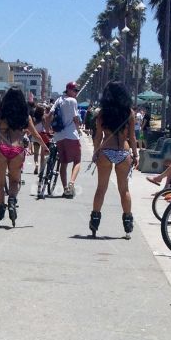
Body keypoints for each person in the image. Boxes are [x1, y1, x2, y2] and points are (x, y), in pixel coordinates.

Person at [0, 86, 46, 225]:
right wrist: (45, 147)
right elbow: (35, 134)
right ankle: (12, 200)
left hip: (1, 148)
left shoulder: (0, 113)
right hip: (17, 149)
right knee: (14, 180)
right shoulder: (25, 116)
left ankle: (0, 209)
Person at [89, 80, 138, 237]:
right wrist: (135, 154)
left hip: (106, 150)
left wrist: (95, 152)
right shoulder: (129, 113)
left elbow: (98, 136)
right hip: (123, 153)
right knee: (124, 190)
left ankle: (95, 221)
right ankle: (128, 224)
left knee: (101, 188)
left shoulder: (102, 113)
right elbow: (132, 136)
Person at [51, 81, 83, 197]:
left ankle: (65, 189)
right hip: (71, 135)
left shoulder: (58, 100)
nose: (76, 93)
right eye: (75, 90)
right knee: (77, 160)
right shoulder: (72, 101)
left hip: (59, 135)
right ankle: (71, 183)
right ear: (69, 90)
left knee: (63, 162)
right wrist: (79, 129)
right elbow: (75, 118)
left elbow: (50, 114)